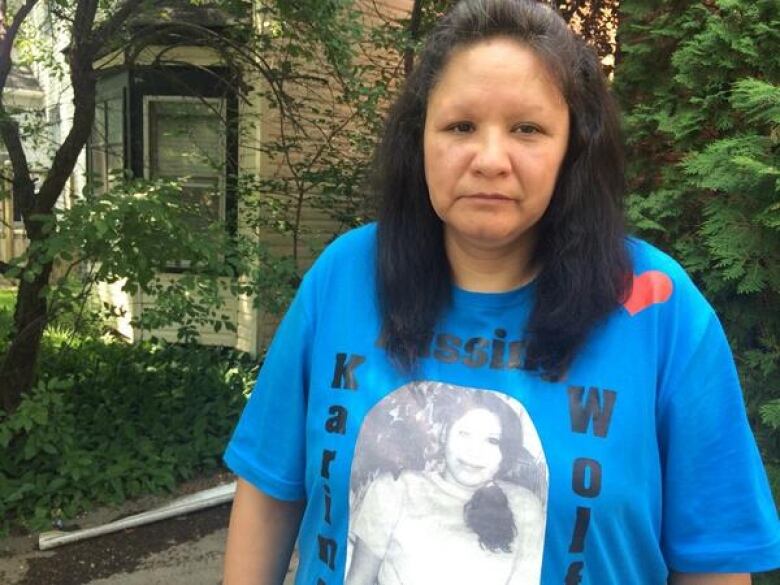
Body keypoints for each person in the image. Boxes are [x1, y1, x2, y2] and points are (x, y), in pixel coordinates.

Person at [222, 1, 780, 584]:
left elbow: (714, 564)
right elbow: (268, 495)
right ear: (421, 142)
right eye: (461, 126)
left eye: (528, 129)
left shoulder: (659, 309)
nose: (490, 160)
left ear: (574, 150)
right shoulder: (344, 276)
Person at [345, 387, 546, 585]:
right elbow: (358, 581)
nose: (473, 451)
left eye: (492, 440)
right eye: (464, 434)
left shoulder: (525, 505)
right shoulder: (395, 489)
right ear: (445, 435)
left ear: (507, 452)